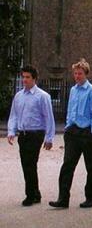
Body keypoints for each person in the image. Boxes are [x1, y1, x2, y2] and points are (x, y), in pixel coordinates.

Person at [49, 59, 92, 209]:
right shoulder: (73, 90)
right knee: (67, 165)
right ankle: (63, 198)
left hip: (86, 132)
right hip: (72, 131)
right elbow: (70, 109)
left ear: (86, 74)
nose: (77, 76)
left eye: (80, 73)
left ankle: (91, 197)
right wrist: (68, 126)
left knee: (91, 166)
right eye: (75, 73)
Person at [7, 65, 55, 207]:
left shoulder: (42, 96)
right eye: (23, 77)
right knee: (27, 164)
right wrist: (11, 131)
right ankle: (35, 192)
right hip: (23, 133)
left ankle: (30, 194)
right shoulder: (19, 96)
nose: (25, 80)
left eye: (28, 77)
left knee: (30, 163)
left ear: (34, 78)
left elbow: (49, 118)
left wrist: (49, 137)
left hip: (36, 133)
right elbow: (14, 115)